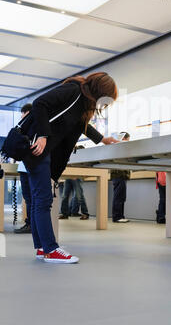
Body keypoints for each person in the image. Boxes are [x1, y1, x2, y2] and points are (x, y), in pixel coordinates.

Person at [21, 72, 118, 264]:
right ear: (100, 91)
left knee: (38, 199)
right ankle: (50, 249)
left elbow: (82, 125)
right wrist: (42, 135)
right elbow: (40, 103)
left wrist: (102, 139)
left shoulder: (83, 104)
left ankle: (42, 248)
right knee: (43, 199)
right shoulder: (73, 90)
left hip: (45, 152)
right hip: (38, 148)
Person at [14, 104, 33, 234]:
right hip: (23, 167)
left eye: (23, 113)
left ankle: (31, 225)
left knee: (32, 198)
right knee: (28, 198)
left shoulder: (34, 127)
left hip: (31, 167)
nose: (21, 116)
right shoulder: (22, 127)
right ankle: (30, 223)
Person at [111, 132, 130, 223]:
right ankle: (117, 216)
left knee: (121, 196)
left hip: (118, 175)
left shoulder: (116, 147)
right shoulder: (120, 147)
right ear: (125, 138)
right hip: (119, 175)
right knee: (119, 196)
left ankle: (120, 216)